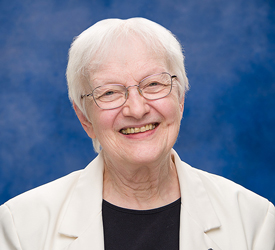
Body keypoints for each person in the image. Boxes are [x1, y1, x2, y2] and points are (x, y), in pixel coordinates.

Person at [0, 17, 274, 250]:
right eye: (109, 92)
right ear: (85, 118)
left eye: (154, 84)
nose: (136, 109)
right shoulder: (20, 226)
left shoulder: (255, 221)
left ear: (180, 99)